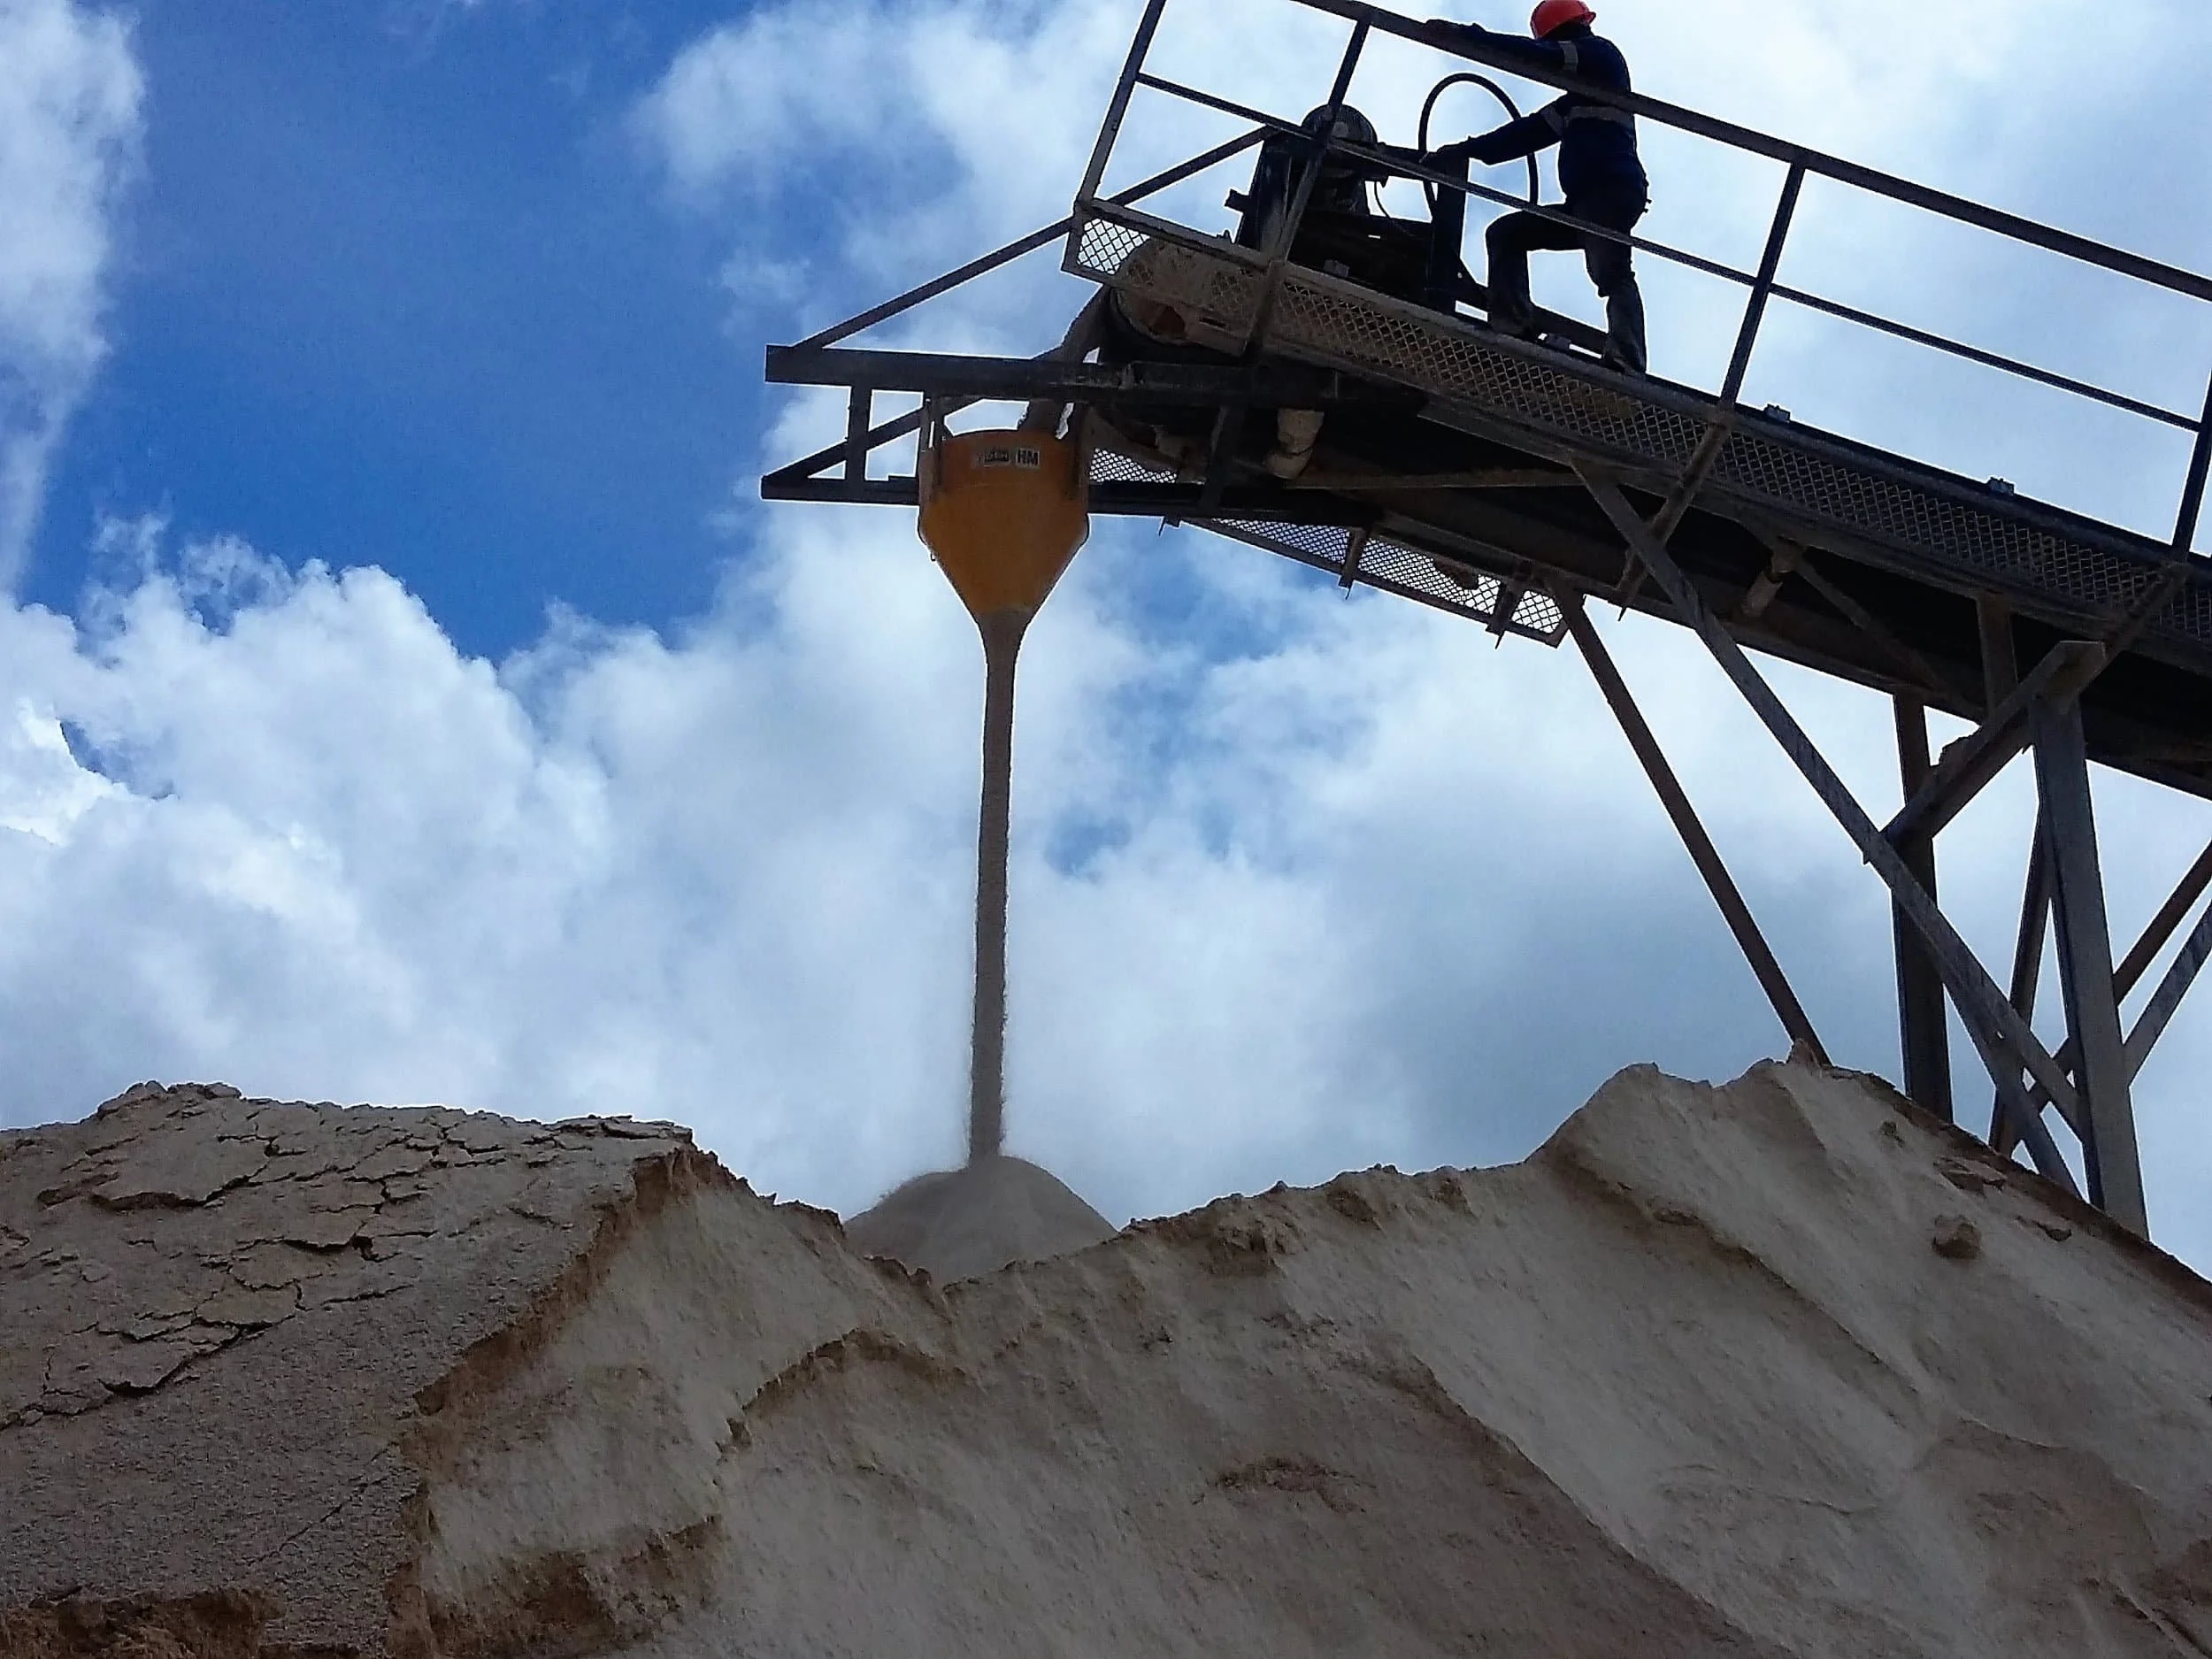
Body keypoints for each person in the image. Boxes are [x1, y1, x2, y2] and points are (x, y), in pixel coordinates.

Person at [1426, 1, 1649, 373]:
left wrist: (1467, 37)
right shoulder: (1576, 103)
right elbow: (1524, 134)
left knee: (1610, 271)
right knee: (1507, 234)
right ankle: (1512, 330)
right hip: (1586, 202)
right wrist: (1463, 150)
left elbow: (1538, 57)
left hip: (1609, 192)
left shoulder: (1601, 56)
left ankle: (1628, 360)